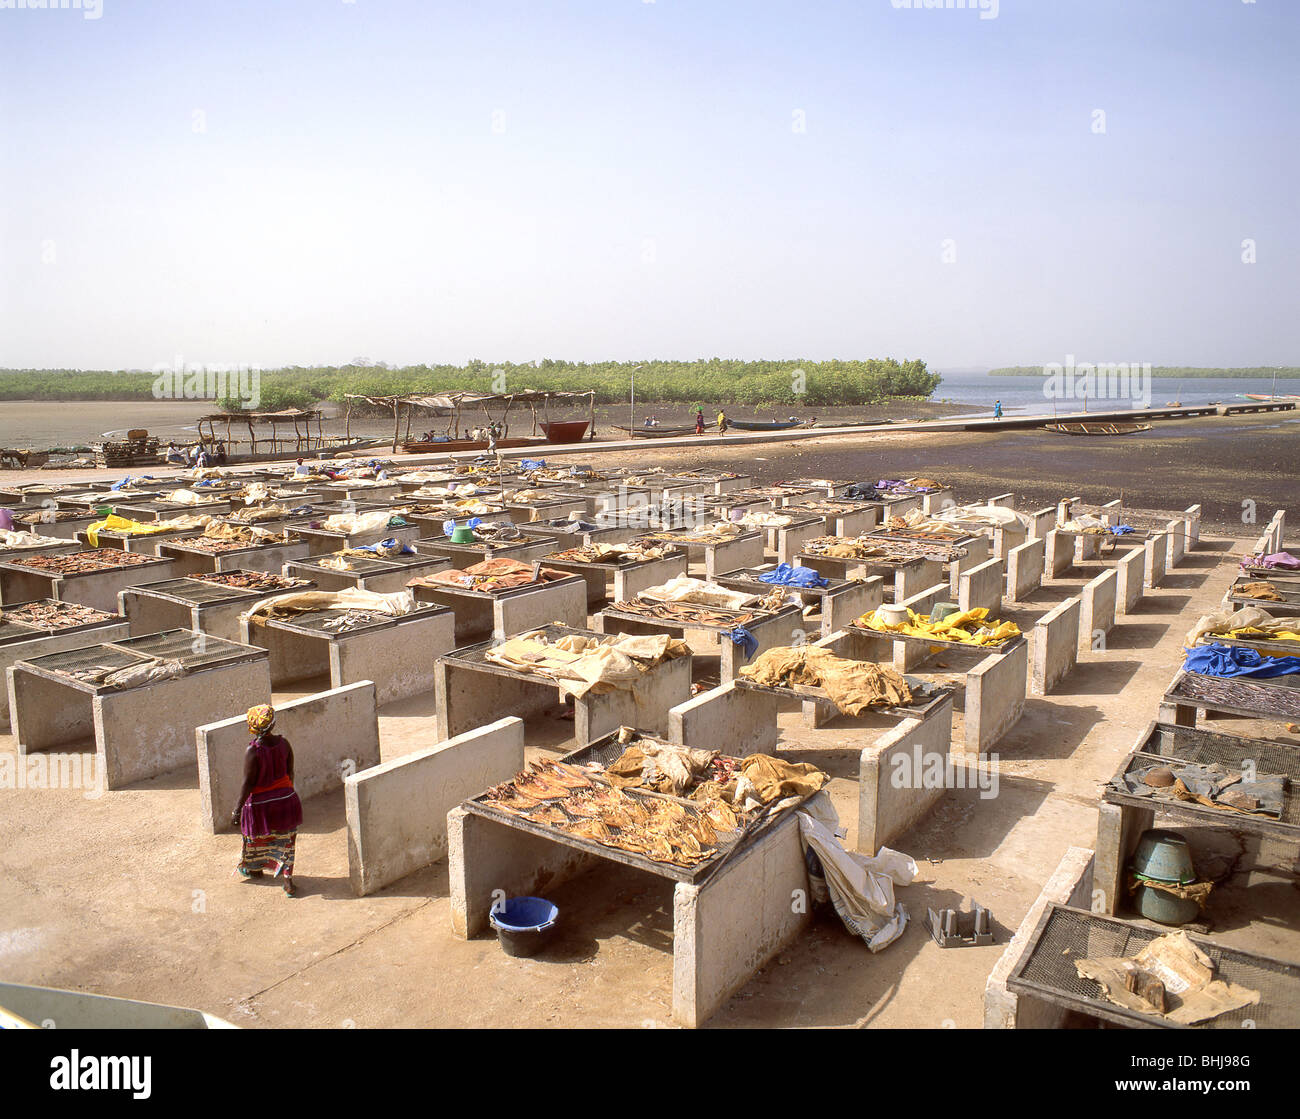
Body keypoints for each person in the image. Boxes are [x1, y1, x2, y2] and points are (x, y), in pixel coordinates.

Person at [231, 705, 303, 896]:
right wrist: (285, 794)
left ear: (252, 727)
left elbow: (247, 784)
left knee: (254, 837)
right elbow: (291, 772)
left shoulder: (252, 751)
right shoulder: (284, 744)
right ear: (273, 724)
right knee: (287, 840)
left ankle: (254, 868)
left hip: (261, 806)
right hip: (287, 800)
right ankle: (287, 882)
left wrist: (237, 810)